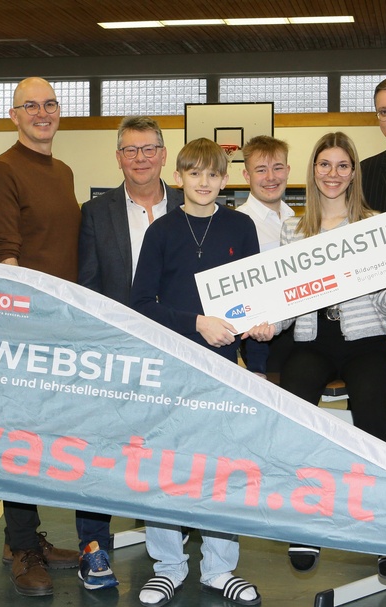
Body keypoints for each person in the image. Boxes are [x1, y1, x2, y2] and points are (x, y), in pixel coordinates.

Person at [247, 132, 386, 577]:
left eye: (342, 165)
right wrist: (269, 324)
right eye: (325, 165)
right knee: (297, 410)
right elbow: (287, 300)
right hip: (312, 342)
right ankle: (306, 522)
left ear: (353, 172)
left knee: (373, 417)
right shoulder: (294, 229)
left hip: (365, 343)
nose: (333, 174)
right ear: (314, 170)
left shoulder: (375, 225)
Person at [130, 138, 262, 607]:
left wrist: (256, 350)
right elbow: (141, 305)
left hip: (224, 369)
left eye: (213, 174)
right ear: (178, 177)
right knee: (166, 466)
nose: (204, 182)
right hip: (172, 366)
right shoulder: (161, 231)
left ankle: (219, 568)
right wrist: (197, 323)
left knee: (222, 468)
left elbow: (255, 297)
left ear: (226, 180)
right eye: (194, 173)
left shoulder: (242, 226)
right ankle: (167, 566)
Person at [0, 76, 81, 597]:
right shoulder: (2, 170)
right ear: (14, 115)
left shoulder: (62, 171)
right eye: (31, 106)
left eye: (50, 104)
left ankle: (21, 537)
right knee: (19, 439)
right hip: (24, 331)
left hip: (62, 328)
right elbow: (6, 258)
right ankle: (22, 548)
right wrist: (29, 327)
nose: (43, 113)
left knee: (42, 440)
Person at [76, 115, 182, 590]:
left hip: (180, 351)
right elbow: (89, 285)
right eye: (130, 150)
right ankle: (93, 548)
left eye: (149, 148)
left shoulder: (190, 203)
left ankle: (174, 547)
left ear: (163, 154)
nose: (140, 158)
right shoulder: (95, 213)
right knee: (99, 451)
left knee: (173, 452)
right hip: (116, 352)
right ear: (118, 157)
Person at [235, 135, 294, 376]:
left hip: (301, 330)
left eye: (277, 168)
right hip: (262, 338)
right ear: (246, 175)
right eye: (261, 170)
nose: (271, 177)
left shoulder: (300, 221)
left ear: (288, 171)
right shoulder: (237, 224)